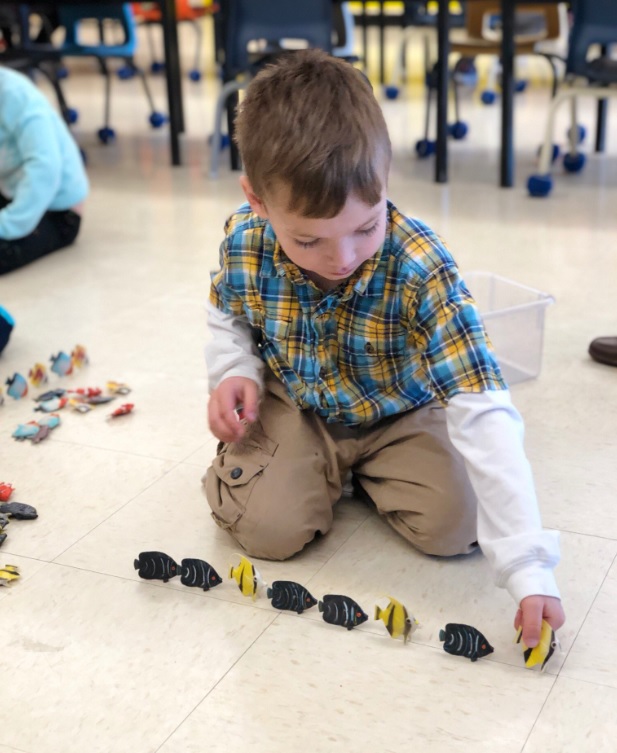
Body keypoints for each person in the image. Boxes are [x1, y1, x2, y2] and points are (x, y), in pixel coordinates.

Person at [203, 49, 565, 647]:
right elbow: (226, 310)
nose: (341, 259)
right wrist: (234, 368)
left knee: (460, 526)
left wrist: (528, 565)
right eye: (309, 239)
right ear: (258, 202)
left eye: (365, 228)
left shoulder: (424, 265)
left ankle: (361, 472)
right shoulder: (244, 239)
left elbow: (482, 404)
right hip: (299, 403)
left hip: (399, 413)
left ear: (387, 177)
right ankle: (318, 470)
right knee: (266, 529)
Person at [0, 65, 89, 275]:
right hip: (12, 192)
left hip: (57, 210)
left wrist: (5, 225)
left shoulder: (16, 95)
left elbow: (45, 168)